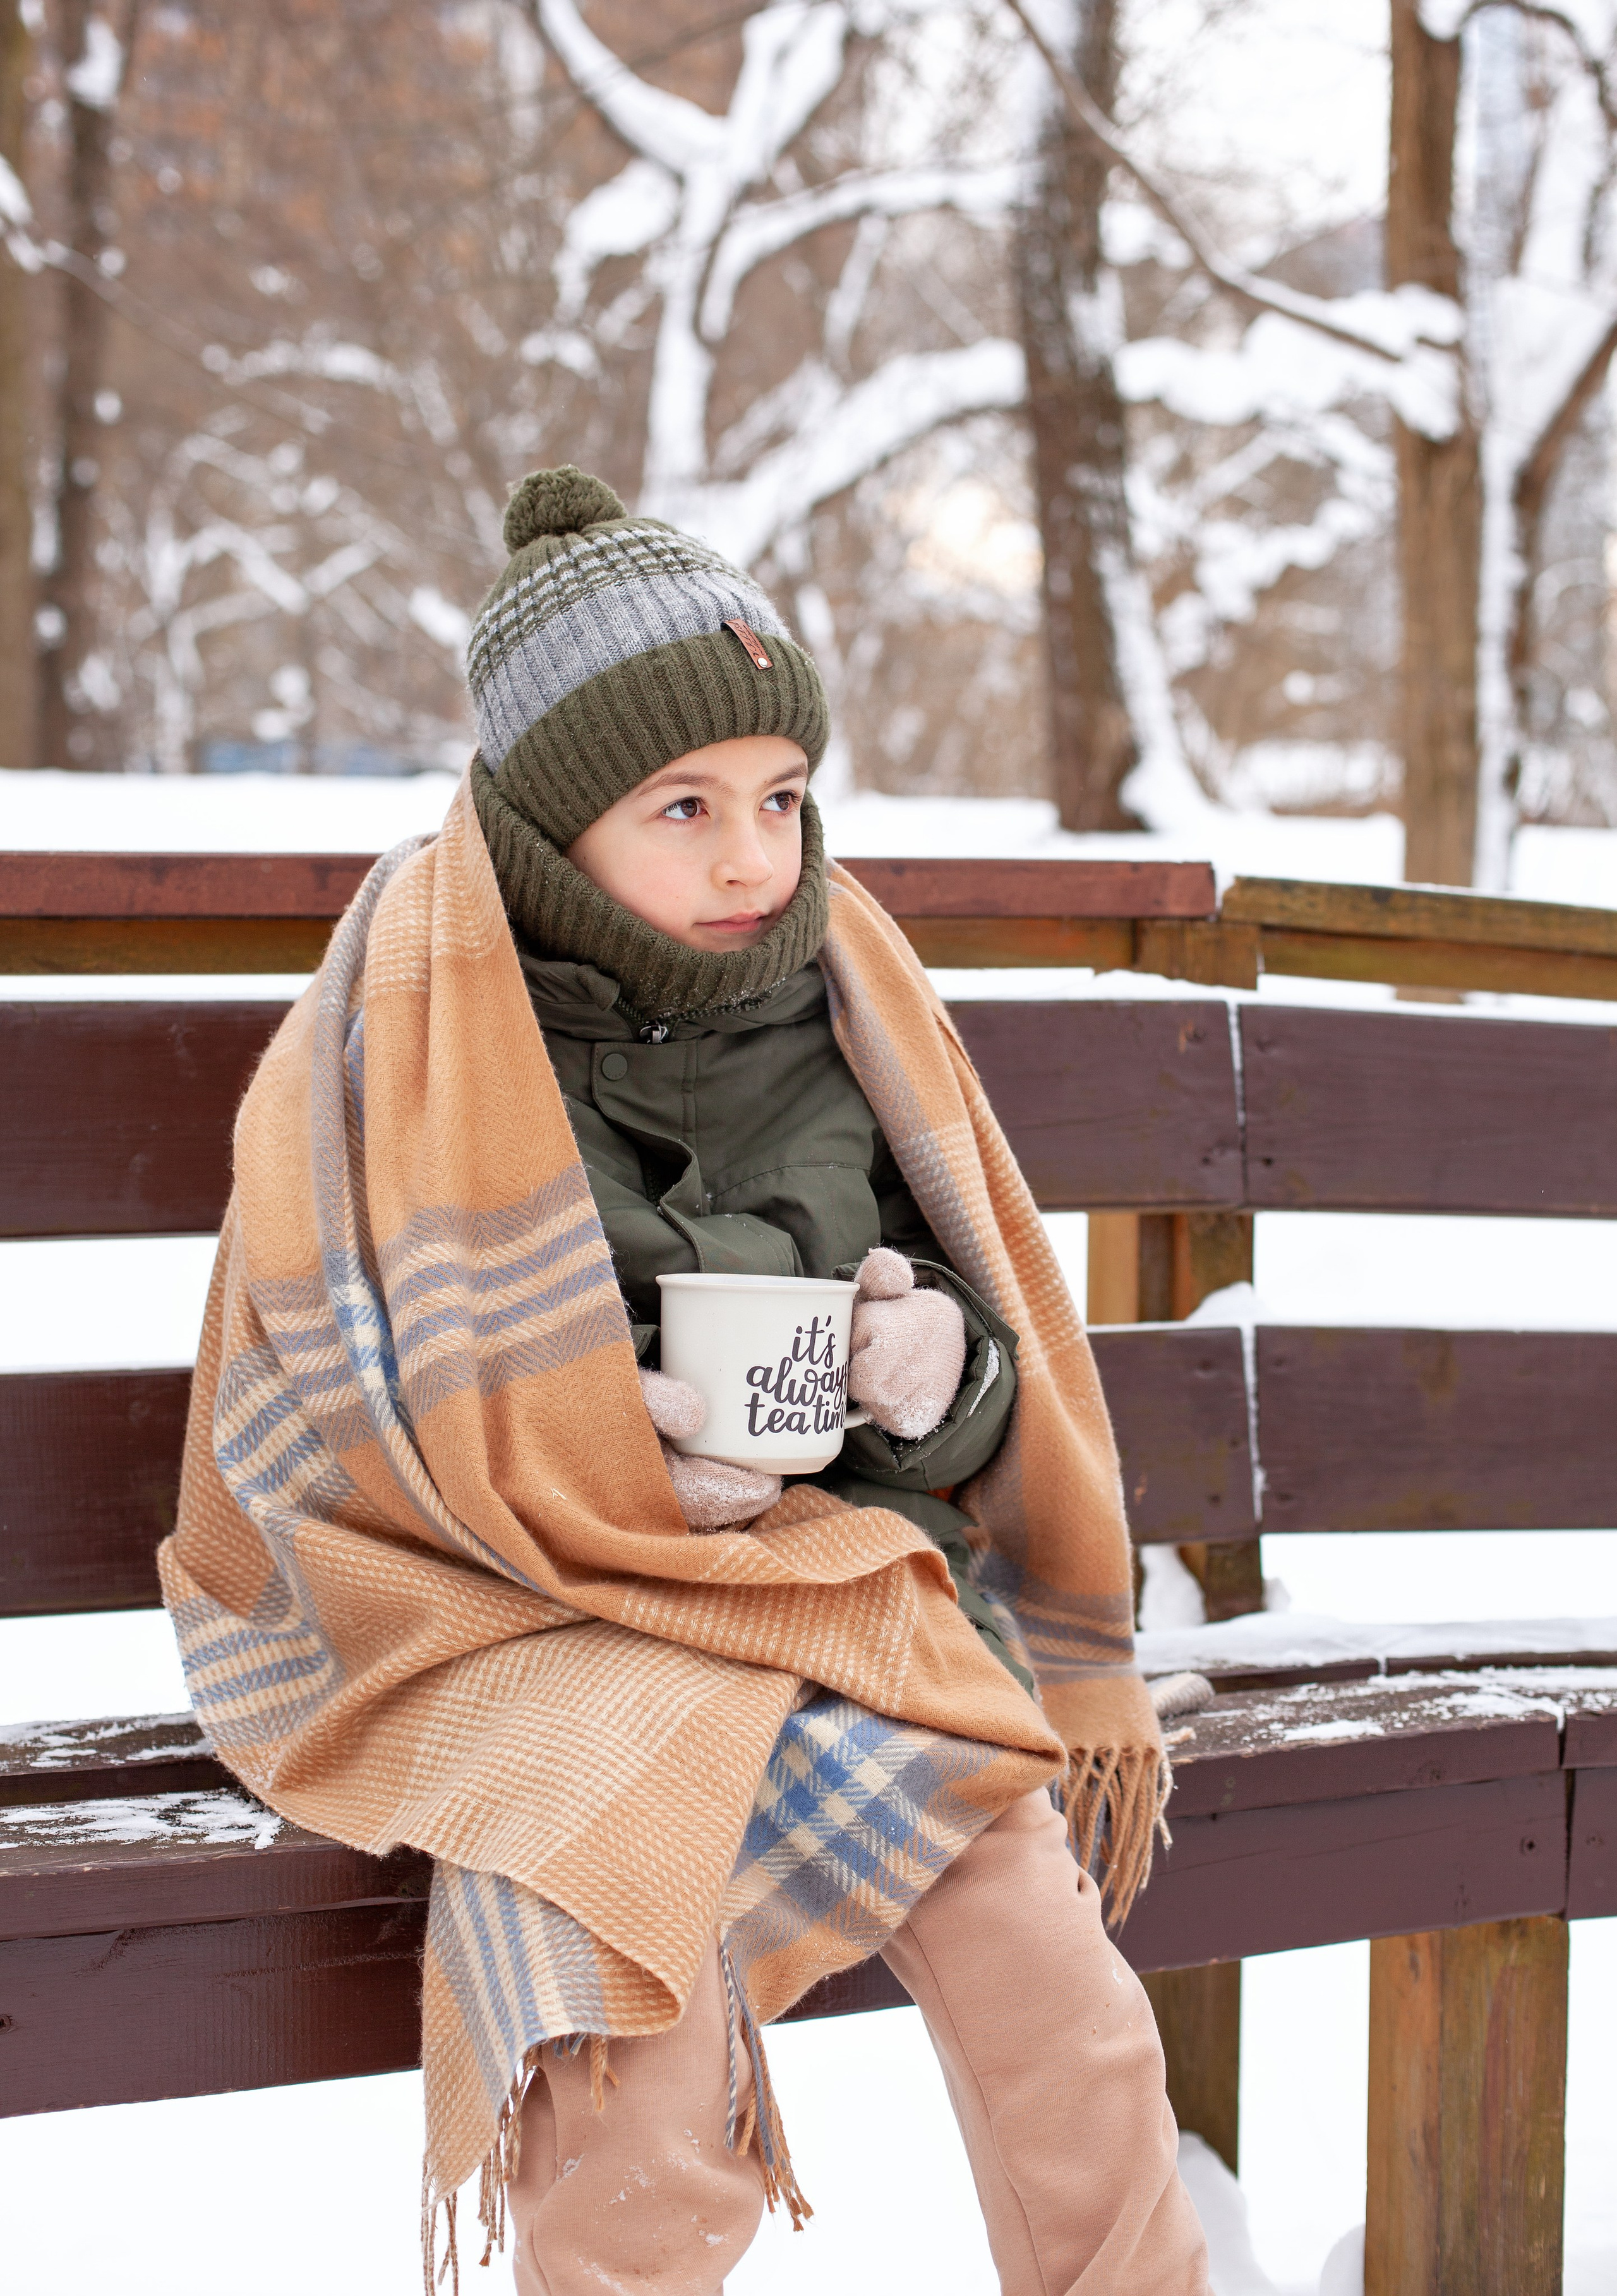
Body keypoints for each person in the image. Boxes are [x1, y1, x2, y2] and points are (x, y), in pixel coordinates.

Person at [160, 467, 1208, 2296]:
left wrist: (935, 1365)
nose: (754, 857)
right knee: (631, 1983)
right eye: (688, 806)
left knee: (1042, 1951)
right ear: (562, 829)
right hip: (536, 1610)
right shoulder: (415, 1033)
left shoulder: (839, 1005)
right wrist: (579, 1439)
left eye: (782, 798)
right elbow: (352, 1395)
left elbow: (980, 1382)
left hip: (829, 1585)